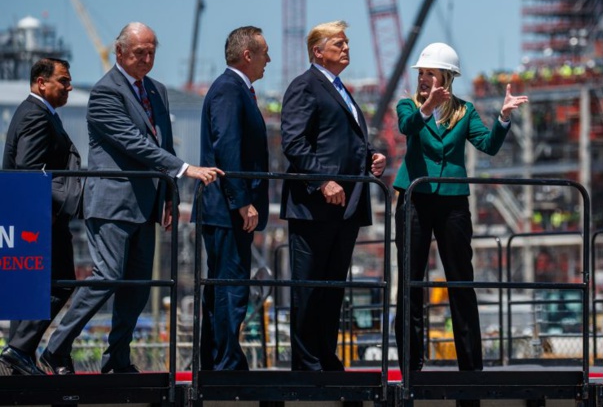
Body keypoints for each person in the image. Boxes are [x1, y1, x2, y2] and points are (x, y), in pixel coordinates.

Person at [41, 22, 222, 375]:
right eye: (140, 52)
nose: (147, 58)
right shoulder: (105, 93)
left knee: (138, 287)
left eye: (152, 51)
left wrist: (170, 198)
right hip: (112, 203)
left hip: (146, 204)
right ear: (120, 51)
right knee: (107, 276)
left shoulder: (156, 90)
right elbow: (135, 144)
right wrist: (186, 169)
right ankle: (57, 347)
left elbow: (163, 142)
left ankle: (117, 360)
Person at [393, 42, 528, 378]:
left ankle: (471, 368)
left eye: (430, 74)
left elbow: (489, 146)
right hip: (415, 200)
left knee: (460, 283)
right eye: (421, 73)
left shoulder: (465, 111)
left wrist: (503, 116)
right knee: (410, 283)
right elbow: (406, 128)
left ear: (447, 77)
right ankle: (410, 367)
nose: (423, 79)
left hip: (453, 202)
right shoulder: (408, 106)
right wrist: (427, 108)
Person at [280, 20, 386, 371]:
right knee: (308, 286)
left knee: (332, 287)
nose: (346, 48)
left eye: (347, 42)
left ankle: (326, 355)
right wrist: (323, 180)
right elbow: (294, 142)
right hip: (315, 206)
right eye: (339, 43)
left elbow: (341, 140)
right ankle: (306, 362)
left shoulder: (341, 89)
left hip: (346, 207)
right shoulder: (305, 87)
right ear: (318, 51)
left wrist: (371, 155)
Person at [0, 58, 83, 376]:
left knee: (26, 289)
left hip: (27, 212)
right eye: (63, 80)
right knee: (61, 282)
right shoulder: (36, 114)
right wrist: (44, 212)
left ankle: (17, 358)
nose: (69, 86)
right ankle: (19, 349)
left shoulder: (33, 111)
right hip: (37, 215)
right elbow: (29, 168)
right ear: (40, 82)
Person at [196, 26, 271, 370]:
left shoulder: (236, 89)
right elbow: (227, 146)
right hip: (227, 209)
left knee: (223, 285)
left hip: (225, 208)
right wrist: (242, 200)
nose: (268, 60)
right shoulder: (229, 89)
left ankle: (215, 356)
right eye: (264, 53)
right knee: (231, 286)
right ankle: (225, 361)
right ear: (248, 55)